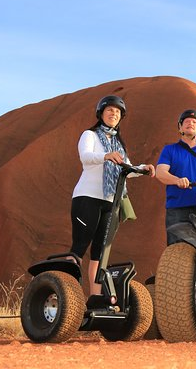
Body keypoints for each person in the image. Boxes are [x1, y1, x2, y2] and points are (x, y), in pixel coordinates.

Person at [70, 95, 155, 296]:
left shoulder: (118, 145)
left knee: (100, 252)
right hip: (87, 197)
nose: (113, 114)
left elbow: (126, 169)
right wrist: (105, 156)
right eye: (110, 110)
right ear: (101, 113)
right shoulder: (89, 135)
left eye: (117, 112)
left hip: (110, 201)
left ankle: (95, 297)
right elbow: (86, 157)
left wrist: (143, 168)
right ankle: (68, 294)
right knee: (80, 247)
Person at [155, 109, 196, 245]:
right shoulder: (170, 150)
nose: (190, 123)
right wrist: (177, 180)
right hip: (176, 208)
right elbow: (160, 172)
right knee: (176, 248)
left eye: (194, 122)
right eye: (186, 121)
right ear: (180, 127)